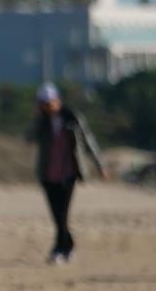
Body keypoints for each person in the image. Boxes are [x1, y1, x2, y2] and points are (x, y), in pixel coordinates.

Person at [26, 82, 106, 265]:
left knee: (62, 213)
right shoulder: (42, 123)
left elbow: (88, 141)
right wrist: (37, 120)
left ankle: (59, 249)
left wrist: (100, 165)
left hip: (69, 172)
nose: (47, 106)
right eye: (43, 104)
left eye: (49, 102)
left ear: (58, 101)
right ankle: (68, 246)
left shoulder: (73, 118)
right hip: (48, 174)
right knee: (56, 214)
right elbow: (28, 138)